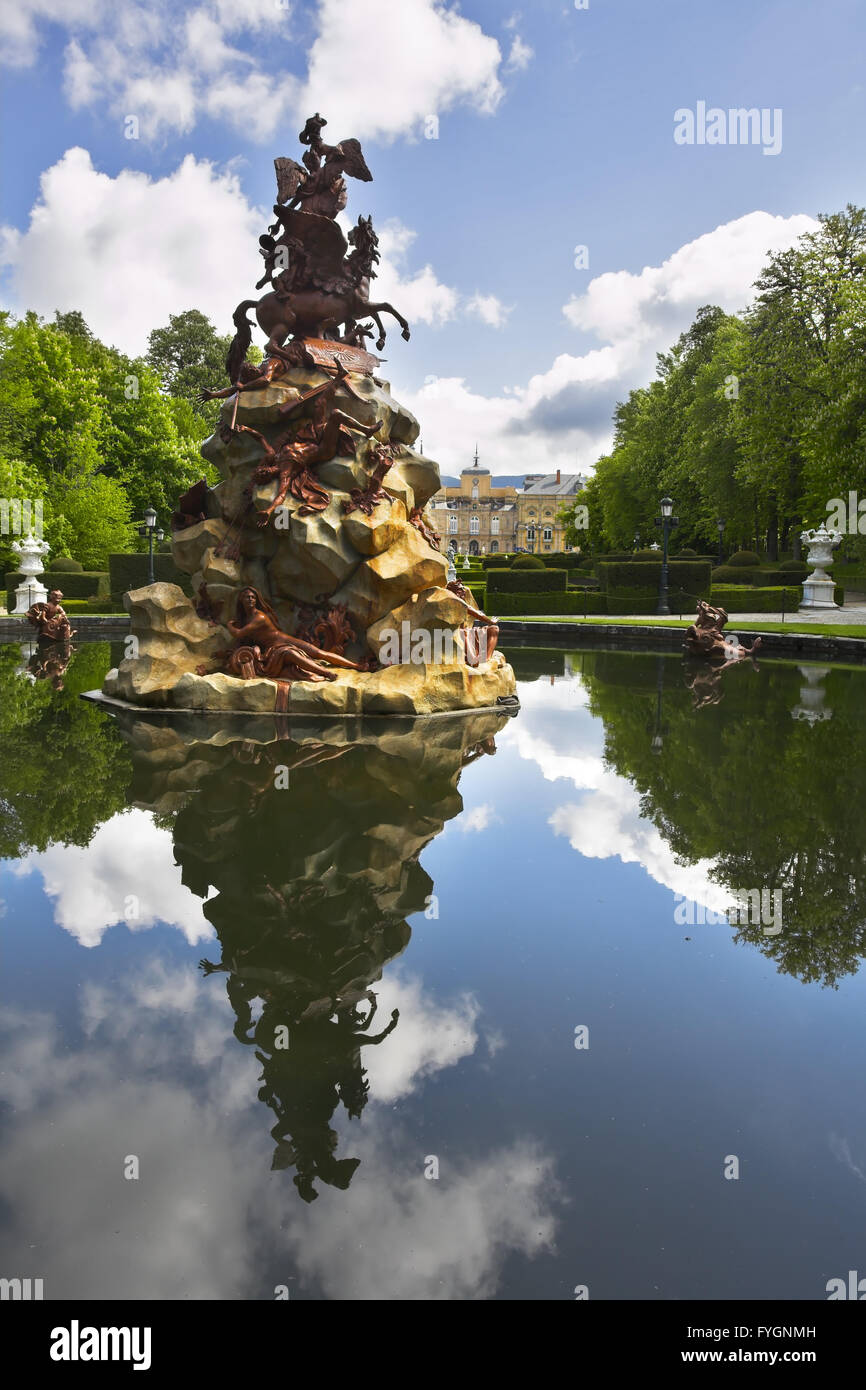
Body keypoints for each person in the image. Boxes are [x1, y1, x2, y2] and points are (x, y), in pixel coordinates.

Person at [225, 587, 374, 683]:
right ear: (241, 600)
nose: (251, 599)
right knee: (295, 656)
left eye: (253, 597)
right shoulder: (246, 618)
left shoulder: (259, 617)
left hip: (282, 640)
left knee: (318, 653)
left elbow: (238, 633)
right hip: (273, 648)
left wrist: (229, 625)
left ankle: (355, 665)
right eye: (247, 597)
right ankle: (326, 673)